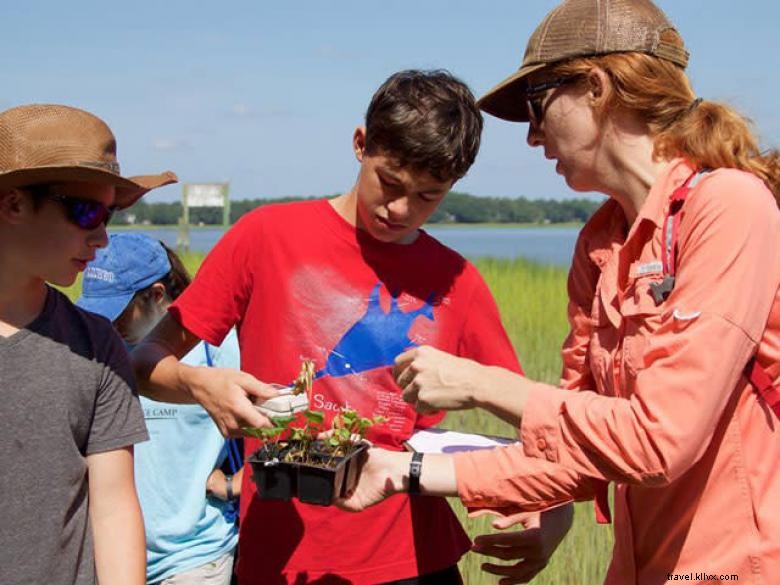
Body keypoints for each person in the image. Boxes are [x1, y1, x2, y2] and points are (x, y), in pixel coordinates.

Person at [336, 1, 780, 584]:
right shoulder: (598, 246)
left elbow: (662, 439)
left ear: (595, 88)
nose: (532, 136)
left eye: (536, 108)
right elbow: (573, 449)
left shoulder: (728, 206)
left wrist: (483, 384)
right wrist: (399, 471)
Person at [131, 69, 573, 584]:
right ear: (361, 145)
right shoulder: (265, 237)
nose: (402, 209)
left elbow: (534, 415)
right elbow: (143, 362)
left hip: (415, 559)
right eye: (390, 182)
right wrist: (199, 382)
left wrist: (555, 513)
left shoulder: (459, 281)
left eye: (428, 196)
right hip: (281, 556)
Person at [0, 104, 176, 585]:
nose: (101, 237)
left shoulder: (97, 345)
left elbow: (114, 507)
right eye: (86, 212)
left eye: (110, 214)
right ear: (13, 204)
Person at [76, 232, 242, 585]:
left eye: (120, 311)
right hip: (107, 556)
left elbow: (282, 412)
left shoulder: (217, 348)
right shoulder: (95, 347)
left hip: (195, 558)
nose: (110, 324)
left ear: (157, 296)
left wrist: (234, 484)